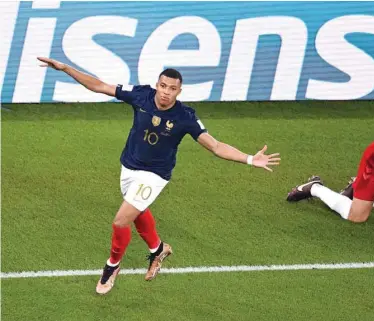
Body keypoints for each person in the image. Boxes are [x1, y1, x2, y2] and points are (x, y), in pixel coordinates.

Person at [37, 57, 280, 295]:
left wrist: (250, 159)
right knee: (138, 210)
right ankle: (158, 249)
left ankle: (112, 267)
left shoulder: (185, 116)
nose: (166, 92)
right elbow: (100, 86)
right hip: (129, 168)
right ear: (157, 85)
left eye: (172, 89)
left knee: (121, 220)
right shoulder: (141, 95)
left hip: (155, 175)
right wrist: (66, 68)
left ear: (179, 91)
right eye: (163, 86)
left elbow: (215, 146)